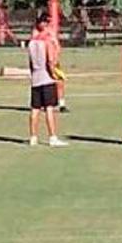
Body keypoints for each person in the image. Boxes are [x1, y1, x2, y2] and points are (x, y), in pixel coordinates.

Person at [28, 13, 68, 147]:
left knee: (35, 109)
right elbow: (51, 61)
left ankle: (33, 137)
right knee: (49, 108)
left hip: (35, 79)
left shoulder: (31, 42)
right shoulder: (47, 42)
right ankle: (52, 137)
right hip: (46, 79)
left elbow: (30, 63)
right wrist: (56, 75)